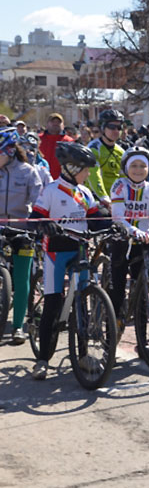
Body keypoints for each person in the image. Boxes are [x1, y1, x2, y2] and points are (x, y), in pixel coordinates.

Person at [29, 142, 107, 380]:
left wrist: (115, 224)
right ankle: (42, 359)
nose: (89, 174)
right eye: (85, 169)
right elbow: (35, 220)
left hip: (79, 249)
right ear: (72, 168)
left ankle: (83, 355)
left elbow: (95, 219)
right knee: (53, 303)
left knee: (81, 303)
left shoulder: (84, 193)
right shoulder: (51, 191)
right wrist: (45, 224)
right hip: (55, 251)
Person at [109, 147, 149, 330]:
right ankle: (110, 338)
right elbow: (118, 218)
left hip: (142, 244)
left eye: (143, 166)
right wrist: (133, 230)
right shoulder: (119, 186)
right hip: (122, 242)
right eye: (134, 166)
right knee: (118, 291)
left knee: (142, 295)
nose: (138, 170)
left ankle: (142, 343)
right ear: (126, 167)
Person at [0, 131, 43, 344]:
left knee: (22, 277)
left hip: (22, 229)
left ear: (9, 151)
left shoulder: (28, 172)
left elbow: (38, 202)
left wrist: (39, 223)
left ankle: (18, 327)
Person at [87, 109, 125, 207]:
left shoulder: (121, 151)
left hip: (115, 200)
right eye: (112, 127)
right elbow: (94, 176)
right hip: (96, 199)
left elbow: (124, 178)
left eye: (119, 127)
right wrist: (104, 197)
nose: (116, 131)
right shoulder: (94, 148)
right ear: (103, 128)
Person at [39, 112, 74, 180]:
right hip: (41, 179)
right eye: (53, 121)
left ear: (63, 125)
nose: (55, 124)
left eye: (58, 122)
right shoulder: (38, 139)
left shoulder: (69, 141)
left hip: (61, 181)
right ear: (47, 124)